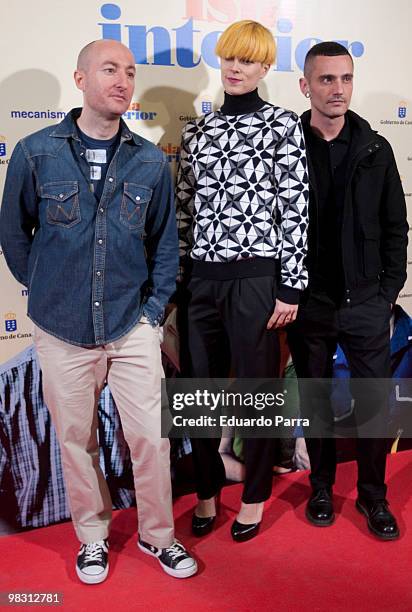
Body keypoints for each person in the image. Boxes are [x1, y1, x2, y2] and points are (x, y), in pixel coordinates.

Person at [0, 39, 197, 583]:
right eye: (109, 69)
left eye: (130, 72)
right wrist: (45, 294)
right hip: (61, 329)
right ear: (81, 78)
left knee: (152, 438)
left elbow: (164, 247)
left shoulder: (152, 162)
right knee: (76, 440)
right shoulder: (36, 151)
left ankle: (160, 538)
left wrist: (153, 312)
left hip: (131, 323)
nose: (122, 80)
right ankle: (92, 538)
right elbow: (14, 235)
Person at [176, 20, 309, 542]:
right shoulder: (197, 131)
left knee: (256, 393)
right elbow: (185, 209)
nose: (235, 68)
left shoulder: (282, 125)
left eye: (248, 61)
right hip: (200, 282)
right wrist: (182, 279)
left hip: (257, 279)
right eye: (229, 58)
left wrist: (290, 286)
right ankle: (207, 492)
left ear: (265, 68)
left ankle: (254, 496)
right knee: (198, 394)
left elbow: (295, 209)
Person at [287, 42, 408, 540]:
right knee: (315, 400)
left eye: (345, 79)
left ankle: (373, 497)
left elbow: (396, 227)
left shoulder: (376, 148)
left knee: (374, 404)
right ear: (306, 86)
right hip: (309, 301)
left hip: (365, 304)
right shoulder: (285, 144)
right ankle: (320, 487)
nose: (337, 89)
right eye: (326, 80)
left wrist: (386, 294)